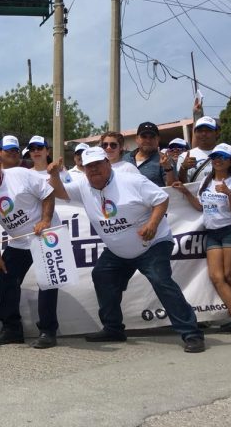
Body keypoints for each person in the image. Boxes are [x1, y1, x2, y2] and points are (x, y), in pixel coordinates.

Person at [47, 147, 206, 353]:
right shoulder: (83, 186)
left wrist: (152, 224)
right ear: (84, 169)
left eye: (98, 164)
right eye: (89, 166)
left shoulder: (131, 180)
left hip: (152, 244)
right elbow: (60, 192)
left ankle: (191, 333)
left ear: (107, 163)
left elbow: (161, 199)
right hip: (118, 251)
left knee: (161, 281)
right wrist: (53, 175)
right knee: (102, 276)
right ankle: (113, 328)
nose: (94, 169)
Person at [0, 148, 59, 349]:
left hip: (45, 234)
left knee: (47, 280)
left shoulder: (20, 174)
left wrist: (45, 220)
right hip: (19, 241)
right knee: (5, 274)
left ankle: (48, 331)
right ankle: (12, 330)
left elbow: (48, 193)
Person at [173, 143, 231, 332]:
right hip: (212, 233)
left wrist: (229, 194)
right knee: (216, 277)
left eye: (222, 157)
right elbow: (201, 207)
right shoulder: (206, 181)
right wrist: (185, 192)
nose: (217, 160)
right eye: (215, 156)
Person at [123, 122, 177, 187]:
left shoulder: (166, 160)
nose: (148, 141)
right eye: (144, 137)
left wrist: (168, 169)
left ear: (158, 139)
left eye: (152, 137)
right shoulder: (125, 159)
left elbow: (172, 189)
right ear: (136, 139)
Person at [177, 116, 225, 184]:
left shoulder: (228, 152)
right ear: (195, 134)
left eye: (208, 130)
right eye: (199, 131)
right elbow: (181, 185)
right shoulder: (184, 157)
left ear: (217, 133)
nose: (203, 134)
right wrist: (184, 168)